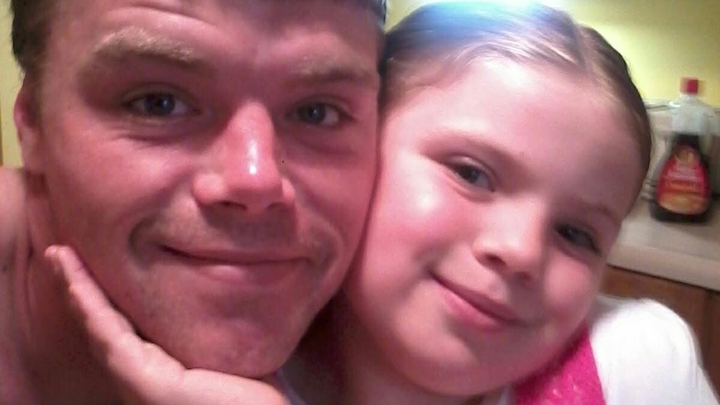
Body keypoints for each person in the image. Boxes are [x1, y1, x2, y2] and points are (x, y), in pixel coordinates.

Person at [46, 1, 720, 405]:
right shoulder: (216, 339)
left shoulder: (634, 364)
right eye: (472, 173)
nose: (519, 251)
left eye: (576, 233)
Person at [0, 0, 386, 403]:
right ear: (31, 122)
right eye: (158, 103)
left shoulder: (401, 338)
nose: (256, 181)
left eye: (317, 113)